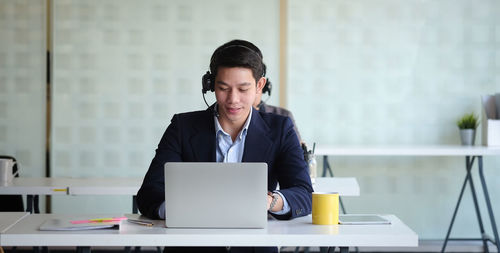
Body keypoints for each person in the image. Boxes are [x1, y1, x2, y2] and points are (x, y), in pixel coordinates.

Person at [137, 39, 313, 253]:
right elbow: (148, 194)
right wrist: (178, 210)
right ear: (210, 86)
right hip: (192, 246)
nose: (233, 99)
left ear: (259, 86)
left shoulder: (280, 128)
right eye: (223, 88)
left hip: (255, 246)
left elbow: (303, 193)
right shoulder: (183, 127)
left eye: (243, 88)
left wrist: (271, 201)